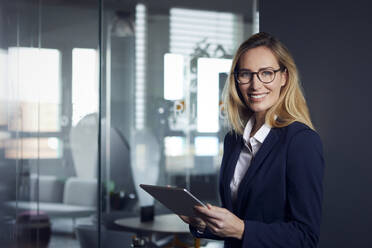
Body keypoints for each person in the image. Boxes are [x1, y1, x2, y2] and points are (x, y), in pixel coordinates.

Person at [179, 32, 325, 247]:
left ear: (284, 77)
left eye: (266, 73)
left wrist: (241, 229)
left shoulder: (301, 142)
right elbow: (238, 221)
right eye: (246, 74)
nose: (255, 85)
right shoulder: (233, 140)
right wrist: (204, 223)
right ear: (237, 79)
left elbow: (306, 237)